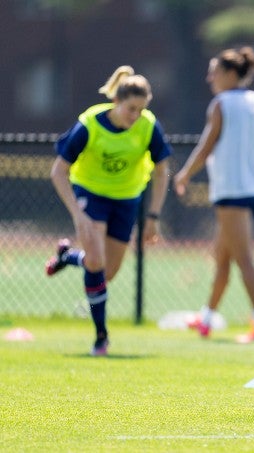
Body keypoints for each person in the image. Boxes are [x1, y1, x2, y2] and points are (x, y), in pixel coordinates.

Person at [173, 46, 254, 343]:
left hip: (230, 190)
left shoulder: (221, 103)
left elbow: (205, 146)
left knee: (243, 259)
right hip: (253, 190)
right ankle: (205, 319)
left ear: (231, 73)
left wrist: (184, 175)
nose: (209, 78)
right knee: (222, 257)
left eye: (214, 71)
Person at [45, 65, 172, 356]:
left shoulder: (148, 126)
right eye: (131, 109)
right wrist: (78, 214)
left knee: (108, 271)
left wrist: (152, 217)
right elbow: (58, 172)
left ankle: (67, 256)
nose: (135, 116)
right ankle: (101, 336)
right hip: (91, 196)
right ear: (116, 101)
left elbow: (162, 171)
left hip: (127, 200)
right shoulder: (89, 124)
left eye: (141, 109)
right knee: (97, 261)